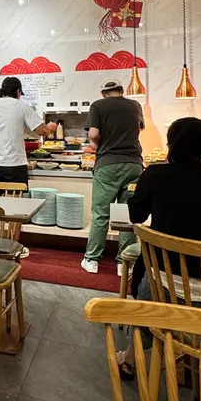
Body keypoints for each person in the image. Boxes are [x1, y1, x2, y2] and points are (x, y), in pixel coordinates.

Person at [117, 116, 201, 377]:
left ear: (170, 145)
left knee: (147, 277)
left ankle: (131, 359)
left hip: (162, 288)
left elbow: (136, 216)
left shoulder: (155, 175)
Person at [81, 79, 144, 276]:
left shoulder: (98, 105)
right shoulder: (135, 105)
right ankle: (124, 262)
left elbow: (93, 134)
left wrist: (101, 144)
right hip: (134, 164)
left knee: (101, 213)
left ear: (103, 93)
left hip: (107, 164)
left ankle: (92, 259)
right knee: (127, 213)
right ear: (121, 90)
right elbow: (140, 128)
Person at [0, 76, 57, 186]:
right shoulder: (21, 106)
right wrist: (51, 127)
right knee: (16, 197)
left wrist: (0, 137)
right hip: (15, 165)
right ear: (18, 91)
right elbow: (42, 131)